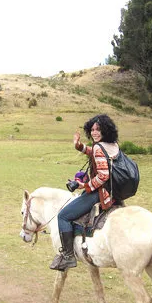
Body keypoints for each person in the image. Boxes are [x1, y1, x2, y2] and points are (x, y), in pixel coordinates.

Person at [50, 114, 120, 271]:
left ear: (105, 131)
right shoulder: (112, 145)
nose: (95, 133)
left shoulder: (98, 148)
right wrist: (79, 146)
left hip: (100, 193)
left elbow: (103, 175)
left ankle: (68, 256)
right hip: (113, 191)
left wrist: (84, 186)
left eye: (98, 130)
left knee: (63, 216)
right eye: (93, 130)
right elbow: (95, 152)